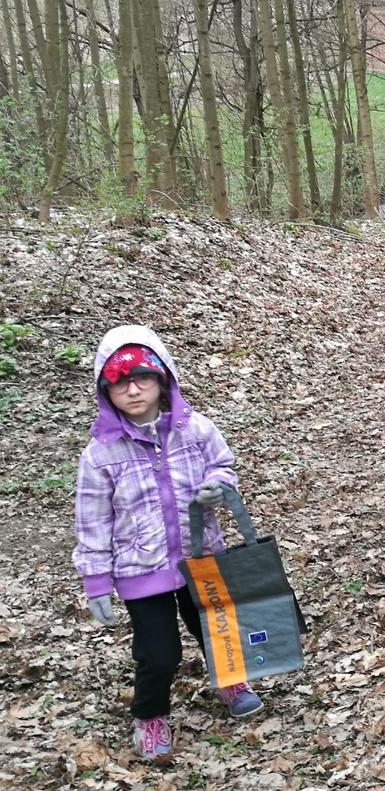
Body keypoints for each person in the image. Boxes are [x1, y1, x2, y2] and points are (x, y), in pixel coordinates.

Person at [74, 327, 261, 762]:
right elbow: (93, 521)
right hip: (140, 569)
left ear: (163, 380)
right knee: (158, 653)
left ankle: (231, 681)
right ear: (105, 390)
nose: (132, 390)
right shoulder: (100, 453)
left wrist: (219, 485)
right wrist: (96, 581)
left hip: (200, 556)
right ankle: (150, 715)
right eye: (119, 382)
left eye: (142, 378)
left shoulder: (195, 429)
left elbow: (223, 465)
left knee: (216, 628)